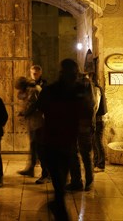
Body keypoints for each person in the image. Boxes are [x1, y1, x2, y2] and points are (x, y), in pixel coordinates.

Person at [37, 59, 94, 221]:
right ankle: (59, 208)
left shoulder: (54, 90)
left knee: (59, 181)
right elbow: (86, 111)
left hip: (59, 141)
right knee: (59, 180)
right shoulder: (75, 91)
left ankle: (59, 208)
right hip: (58, 141)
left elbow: (41, 108)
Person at [15, 77, 50, 184]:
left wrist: (24, 113)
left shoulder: (33, 90)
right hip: (34, 123)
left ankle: (46, 174)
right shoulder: (30, 90)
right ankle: (31, 169)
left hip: (38, 123)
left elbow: (33, 105)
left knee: (41, 149)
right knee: (34, 146)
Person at [67, 72, 96, 192]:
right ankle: (88, 182)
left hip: (77, 125)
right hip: (85, 125)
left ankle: (76, 181)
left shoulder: (77, 90)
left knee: (74, 154)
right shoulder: (91, 94)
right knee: (85, 155)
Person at [90, 72, 107, 171]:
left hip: (98, 120)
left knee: (98, 142)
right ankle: (96, 162)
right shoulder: (94, 89)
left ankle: (101, 164)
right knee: (95, 142)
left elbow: (95, 107)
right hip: (96, 120)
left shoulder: (96, 90)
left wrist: (92, 120)